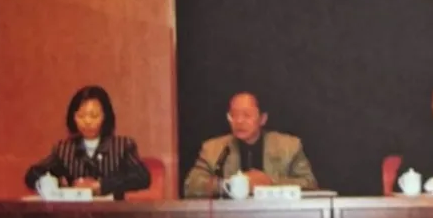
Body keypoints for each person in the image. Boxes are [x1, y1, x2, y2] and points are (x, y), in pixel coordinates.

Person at [24, 85, 151, 199]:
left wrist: (101, 185)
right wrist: (49, 182)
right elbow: (33, 173)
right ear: (73, 117)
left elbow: (142, 177)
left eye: (94, 116)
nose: (87, 121)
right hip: (75, 212)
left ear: (106, 116)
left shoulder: (122, 146)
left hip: (111, 212)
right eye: (81, 116)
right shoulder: (64, 149)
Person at [183, 91, 318, 197]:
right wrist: (231, 185)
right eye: (233, 115)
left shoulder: (289, 147)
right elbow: (191, 187)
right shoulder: (213, 149)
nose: (239, 121)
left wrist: (270, 182)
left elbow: (310, 185)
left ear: (262, 119)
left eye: (246, 115)